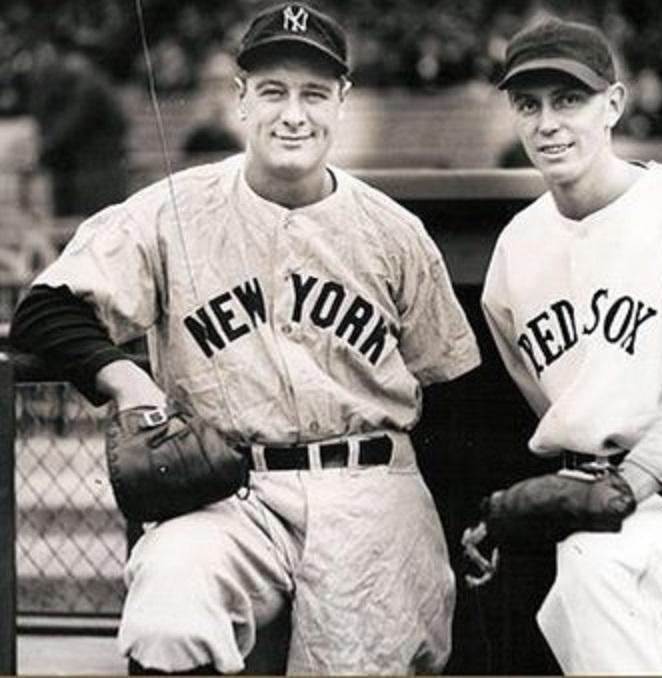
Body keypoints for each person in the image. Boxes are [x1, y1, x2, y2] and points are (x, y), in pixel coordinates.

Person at [10, 3, 480, 674]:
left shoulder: (394, 232)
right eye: (273, 92)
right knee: (170, 606)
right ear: (241, 98)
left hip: (371, 492)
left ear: (342, 100)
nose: (294, 114)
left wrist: (455, 523)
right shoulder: (172, 210)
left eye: (314, 94)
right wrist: (130, 380)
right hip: (231, 495)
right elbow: (45, 310)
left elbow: (453, 388)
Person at [462, 17, 662, 675]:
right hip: (607, 502)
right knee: (613, 602)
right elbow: (568, 418)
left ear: (613, 103)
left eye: (569, 99)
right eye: (529, 104)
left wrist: (614, 494)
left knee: (599, 575)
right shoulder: (514, 253)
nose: (548, 122)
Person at [30, 33, 128, 216]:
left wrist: (43, 152)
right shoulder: (97, 83)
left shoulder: (90, 87)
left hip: (99, 169)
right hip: (100, 166)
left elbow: (70, 125)